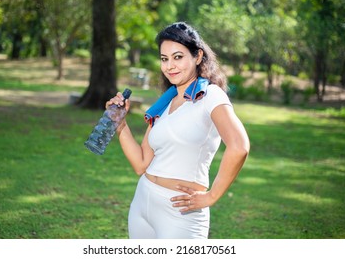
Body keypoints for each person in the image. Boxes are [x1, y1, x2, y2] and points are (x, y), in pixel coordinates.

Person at [106, 22, 250, 239]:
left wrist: (211, 197)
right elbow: (141, 164)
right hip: (142, 202)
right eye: (164, 59)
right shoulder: (166, 100)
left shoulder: (211, 96)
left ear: (198, 56)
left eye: (178, 57)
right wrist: (121, 124)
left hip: (181, 212)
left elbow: (239, 147)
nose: (169, 66)